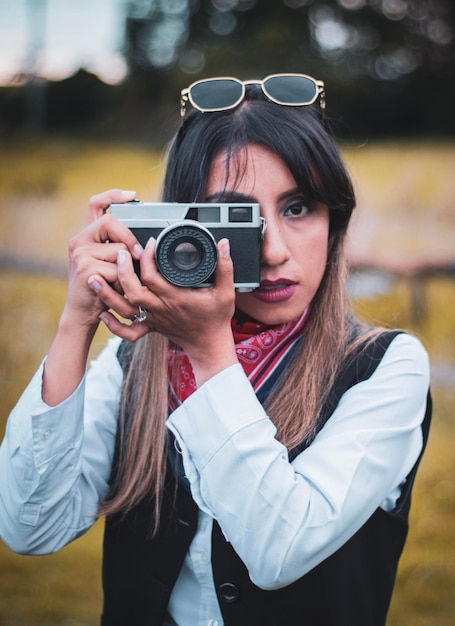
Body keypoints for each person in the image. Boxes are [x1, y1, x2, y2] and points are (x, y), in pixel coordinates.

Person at [0, 74, 431, 626]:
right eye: (236, 216)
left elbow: (280, 550)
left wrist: (207, 351)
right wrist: (76, 323)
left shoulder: (384, 369)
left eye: (299, 208)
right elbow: (31, 526)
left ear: (335, 221)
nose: (274, 251)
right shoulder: (135, 362)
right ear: (183, 227)